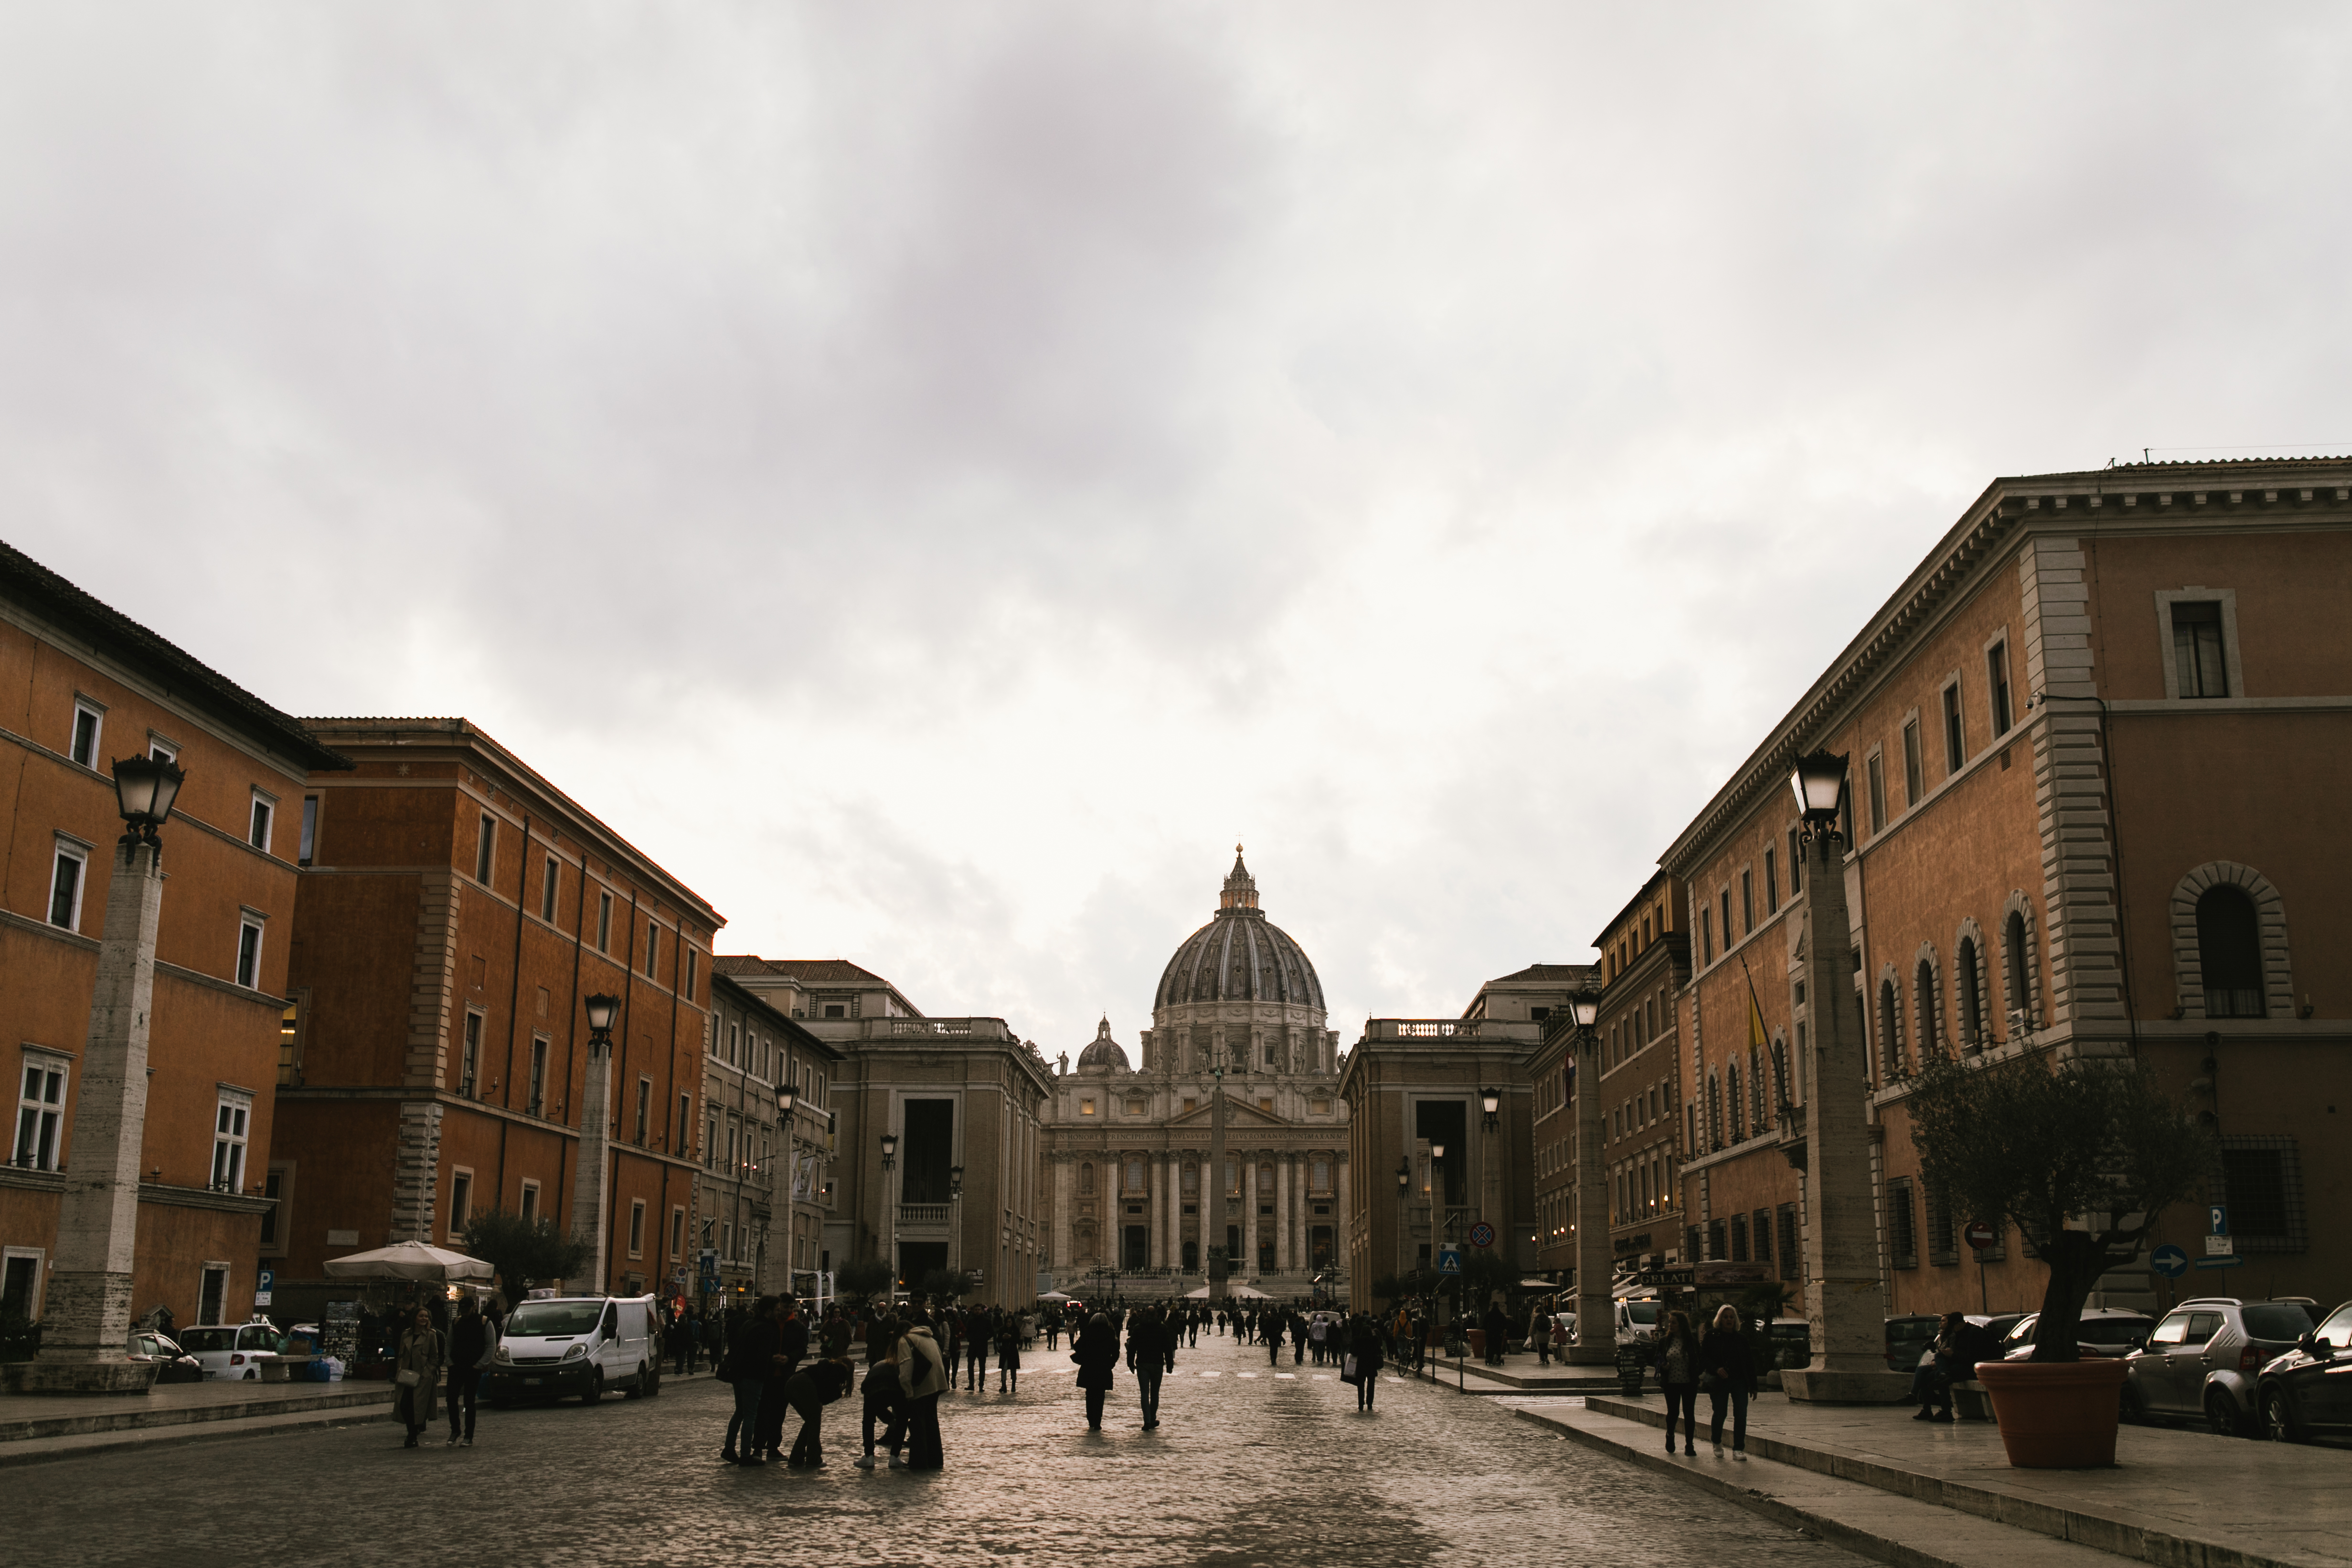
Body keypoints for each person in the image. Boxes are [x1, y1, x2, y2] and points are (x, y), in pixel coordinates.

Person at [721, 1297, 777, 1465]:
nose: (778, 1312)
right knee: (751, 1415)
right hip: (753, 1376)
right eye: (777, 1309)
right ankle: (746, 1455)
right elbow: (762, 1357)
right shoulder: (766, 1329)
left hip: (737, 1373)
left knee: (740, 1412)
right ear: (769, 1312)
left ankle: (729, 1449)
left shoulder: (749, 1324)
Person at [1917, 1312, 1998, 1423]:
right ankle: (1944, 1375)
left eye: (1954, 1327)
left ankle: (1946, 1411)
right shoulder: (1960, 1333)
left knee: (1940, 1377)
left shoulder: (1974, 1333)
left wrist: (1953, 1355)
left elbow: (1973, 1358)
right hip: (1963, 1365)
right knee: (1935, 1367)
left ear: (1959, 1324)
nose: (1953, 1330)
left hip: (1976, 1368)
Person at [1700, 1304, 1756, 1459]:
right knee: (1720, 1413)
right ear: (1720, 1320)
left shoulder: (1741, 1339)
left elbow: (1749, 1363)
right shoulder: (1711, 1336)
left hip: (1739, 1381)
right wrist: (1716, 1369)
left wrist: (1753, 1386)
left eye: (1732, 1317)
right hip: (1719, 1381)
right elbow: (1704, 1358)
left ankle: (1738, 1448)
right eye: (1726, 1317)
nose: (1729, 1320)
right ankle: (1717, 1441)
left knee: (1741, 1414)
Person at [783, 1355, 855, 1468]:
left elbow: (821, 1399)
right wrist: (837, 1393)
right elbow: (825, 1396)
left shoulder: (827, 1368)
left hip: (791, 1384)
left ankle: (797, 1458)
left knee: (811, 1421)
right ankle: (813, 1459)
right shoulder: (841, 1369)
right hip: (804, 1384)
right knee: (814, 1423)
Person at [899, 1311, 949, 1470]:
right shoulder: (929, 1338)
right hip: (938, 1382)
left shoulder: (904, 1340)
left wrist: (908, 1392)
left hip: (923, 1384)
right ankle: (936, 1460)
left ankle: (919, 1461)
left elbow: (906, 1370)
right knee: (932, 1421)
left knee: (918, 1423)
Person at [854, 1318, 907, 1470]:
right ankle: (894, 1457)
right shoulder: (897, 1363)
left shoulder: (880, 1365)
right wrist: (892, 1420)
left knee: (868, 1421)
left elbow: (874, 1403)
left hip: (871, 1386)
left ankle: (869, 1457)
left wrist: (888, 1419)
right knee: (903, 1418)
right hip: (892, 1384)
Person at [445, 1294, 490, 1447]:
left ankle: (468, 1435)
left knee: (469, 1402)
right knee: (451, 1398)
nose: (464, 1312)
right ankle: (455, 1430)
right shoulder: (456, 1323)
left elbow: (491, 1345)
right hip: (456, 1366)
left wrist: (479, 1364)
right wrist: (449, 1362)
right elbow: (449, 1343)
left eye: (467, 1309)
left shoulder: (484, 1322)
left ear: (474, 1308)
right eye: (462, 1309)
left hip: (473, 1367)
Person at [394, 1304, 442, 1449]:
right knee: (404, 1405)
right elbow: (401, 1354)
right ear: (415, 1318)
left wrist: (428, 1373)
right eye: (421, 1316)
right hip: (406, 1376)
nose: (424, 1319)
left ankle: (413, 1435)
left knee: (417, 1407)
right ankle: (411, 1431)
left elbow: (435, 1357)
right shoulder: (406, 1334)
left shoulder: (431, 1335)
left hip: (422, 1377)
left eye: (426, 1317)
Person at [1654, 1310, 1700, 1457]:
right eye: (1670, 1322)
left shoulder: (1691, 1341)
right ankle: (1670, 1435)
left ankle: (1689, 1445)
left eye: (1674, 1322)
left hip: (1689, 1383)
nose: (1671, 1325)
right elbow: (1657, 1359)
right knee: (1673, 1412)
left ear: (1682, 1325)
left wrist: (1697, 1371)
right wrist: (1663, 1366)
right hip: (1671, 1383)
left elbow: (1700, 1359)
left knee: (1689, 1413)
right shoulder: (1665, 1341)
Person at [1073, 1311, 1120, 1431]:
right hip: (1103, 1367)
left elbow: (1077, 1347)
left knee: (1090, 1394)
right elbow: (1116, 1352)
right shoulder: (1110, 1333)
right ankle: (1098, 1421)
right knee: (1100, 1395)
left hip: (1089, 1366)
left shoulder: (1087, 1332)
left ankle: (1091, 1420)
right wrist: (1111, 1363)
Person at [1127, 1306, 1166, 1430]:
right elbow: (1167, 1347)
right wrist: (1169, 1364)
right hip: (1157, 1363)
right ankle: (1152, 1417)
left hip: (1143, 1363)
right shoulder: (1162, 1328)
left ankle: (1147, 1421)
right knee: (1155, 1393)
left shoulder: (1139, 1328)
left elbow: (1132, 1348)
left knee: (1144, 1393)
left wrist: (1130, 1364)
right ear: (1156, 1315)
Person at [1349, 1312, 1385, 1412]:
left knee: (1360, 1386)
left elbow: (1353, 1352)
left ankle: (1361, 1404)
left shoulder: (1358, 1341)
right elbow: (1380, 1351)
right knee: (1371, 1386)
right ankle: (1370, 1404)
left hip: (1360, 1366)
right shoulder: (1374, 1340)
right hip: (1371, 1366)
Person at [996, 1311, 1022, 1394]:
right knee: (1004, 1368)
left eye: (1010, 1322)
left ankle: (1013, 1385)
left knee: (1013, 1369)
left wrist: (1011, 1337)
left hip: (1013, 1351)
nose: (1008, 1324)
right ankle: (1004, 1385)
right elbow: (998, 1339)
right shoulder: (1002, 1329)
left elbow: (1018, 1340)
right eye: (1007, 1322)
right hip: (1004, 1351)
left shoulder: (1016, 1329)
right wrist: (1003, 1337)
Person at [1529, 1298, 1554, 1369]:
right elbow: (1551, 1325)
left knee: (1540, 1347)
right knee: (1545, 1346)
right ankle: (1546, 1358)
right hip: (1546, 1333)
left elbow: (1533, 1325)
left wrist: (1530, 1333)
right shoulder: (1545, 1316)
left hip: (1539, 1333)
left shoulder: (1535, 1316)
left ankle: (1542, 1359)